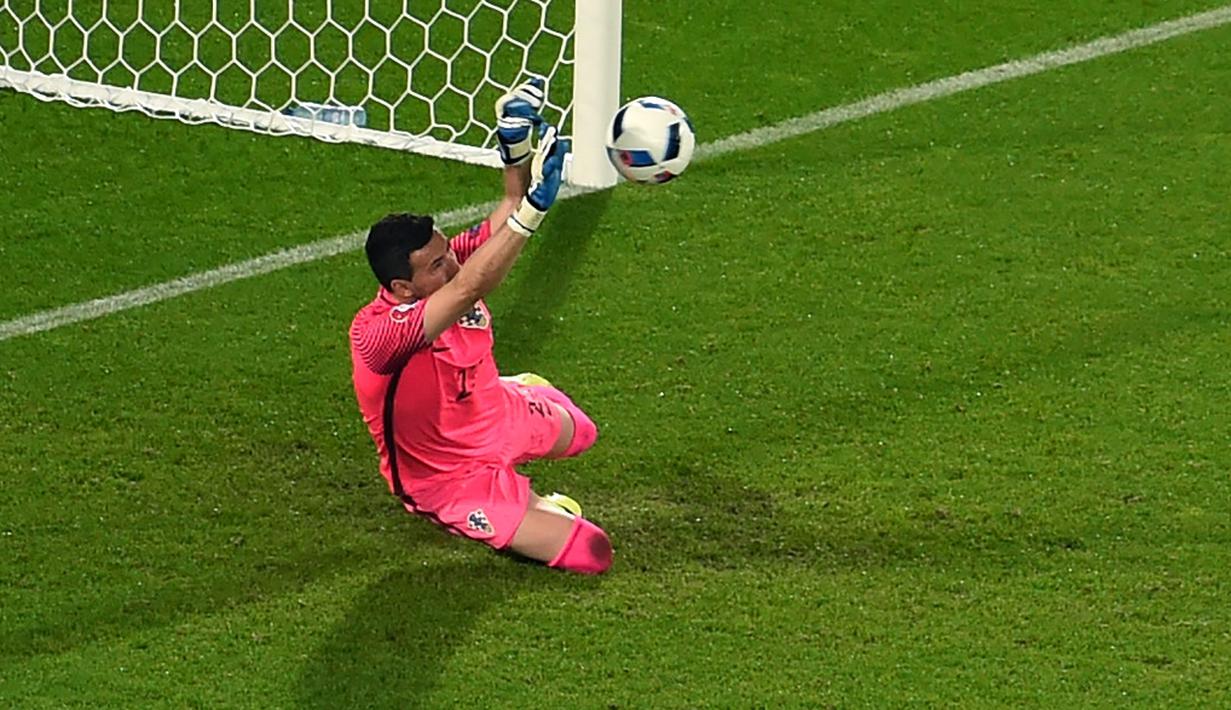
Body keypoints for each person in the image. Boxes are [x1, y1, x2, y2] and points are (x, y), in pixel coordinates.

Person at [348, 79, 612, 575]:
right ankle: (524, 507)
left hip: (492, 410)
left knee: (584, 433)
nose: (452, 264)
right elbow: (470, 287)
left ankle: (512, 393)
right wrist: (535, 212)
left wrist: (516, 146)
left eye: (448, 252)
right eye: (437, 265)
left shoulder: (445, 265)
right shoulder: (379, 337)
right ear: (402, 288)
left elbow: (508, 208)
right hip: (449, 476)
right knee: (593, 553)